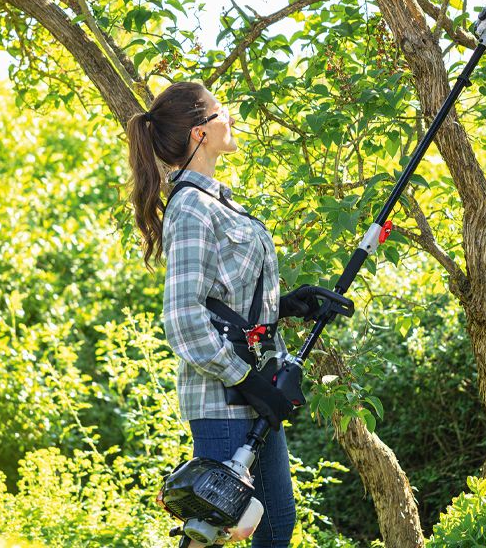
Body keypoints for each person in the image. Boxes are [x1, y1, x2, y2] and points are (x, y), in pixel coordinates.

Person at [124, 81, 354, 547]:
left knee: (271, 526)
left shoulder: (217, 201)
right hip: (225, 401)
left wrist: (287, 306)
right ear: (199, 133)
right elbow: (183, 320)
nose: (227, 115)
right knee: (211, 532)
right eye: (217, 110)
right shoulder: (190, 208)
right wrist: (246, 382)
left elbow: (224, 298)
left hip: (249, 394)